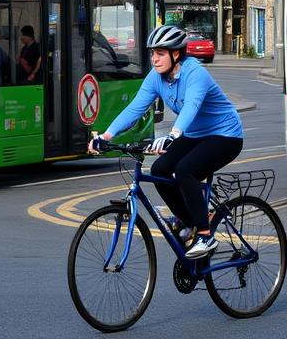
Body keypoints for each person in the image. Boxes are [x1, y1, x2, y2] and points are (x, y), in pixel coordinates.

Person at [88, 24, 243, 260]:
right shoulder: (156, 77)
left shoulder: (195, 73)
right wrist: (107, 136)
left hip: (225, 135)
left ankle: (204, 235)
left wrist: (173, 135)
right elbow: (135, 108)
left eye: (160, 54)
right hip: (194, 135)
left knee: (185, 170)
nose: (154, 59)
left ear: (176, 54)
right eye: (152, 53)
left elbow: (191, 106)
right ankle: (190, 222)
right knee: (160, 169)